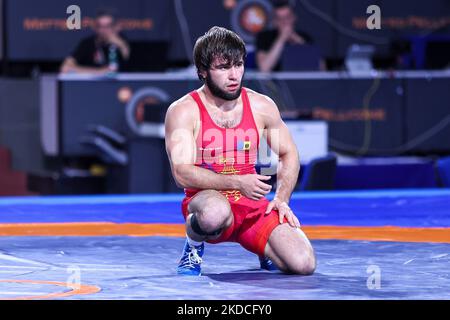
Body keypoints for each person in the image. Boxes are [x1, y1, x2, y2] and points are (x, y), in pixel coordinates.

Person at [164, 26, 316, 276]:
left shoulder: (262, 106)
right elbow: (182, 173)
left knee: (303, 264)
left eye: (238, 65)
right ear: (203, 71)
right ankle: (193, 246)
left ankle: (263, 248)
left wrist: (281, 200)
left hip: (252, 205)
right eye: (223, 67)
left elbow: (289, 153)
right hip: (206, 199)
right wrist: (236, 181)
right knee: (215, 213)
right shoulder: (183, 111)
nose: (234, 75)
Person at [255, 1, 325, 72]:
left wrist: (298, 41)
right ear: (275, 22)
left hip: (300, 80)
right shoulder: (264, 37)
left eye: (287, 17)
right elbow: (264, 68)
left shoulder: (305, 37)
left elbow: (321, 69)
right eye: (280, 19)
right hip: (273, 82)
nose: (284, 22)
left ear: (293, 18)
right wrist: (282, 39)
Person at [60, 9, 130, 74]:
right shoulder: (87, 43)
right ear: (95, 27)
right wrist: (101, 72)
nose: (103, 30)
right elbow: (66, 68)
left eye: (108, 26)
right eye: (100, 26)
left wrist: (122, 46)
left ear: (117, 27)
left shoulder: (125, 43)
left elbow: (131, 69)